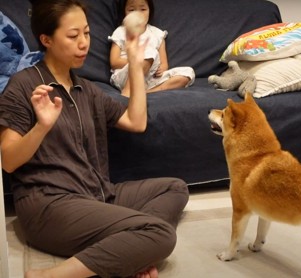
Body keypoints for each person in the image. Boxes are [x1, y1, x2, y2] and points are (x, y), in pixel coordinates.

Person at [0, 0, 189, 277]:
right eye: (73, 36)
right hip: (49, 205)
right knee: (160, 234)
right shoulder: (24, 86)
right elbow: (8, 161)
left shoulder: (86, 89)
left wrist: (136, 65)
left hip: (96, 194)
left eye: (87, 33)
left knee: (175, 188)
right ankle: (52, 275)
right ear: (46, 39)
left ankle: (130, 248)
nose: (84, 43)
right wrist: (41, 126)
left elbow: (136, 122)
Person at [109, 0, 195, 96]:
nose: (137, 14)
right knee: (150, 52)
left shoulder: (157, 34)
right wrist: (137, 61)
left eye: (143, 9)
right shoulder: (121, 31)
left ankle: (147, 92)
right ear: (124, 12)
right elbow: (114, 62)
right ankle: (128, 90)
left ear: (150, 10)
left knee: (188, 72)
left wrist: (161, 69)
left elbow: (164, 64)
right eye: (132, 10)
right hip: (126, 76)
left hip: (150, 80)